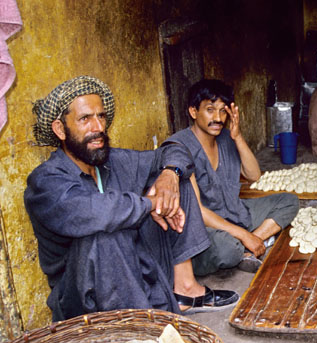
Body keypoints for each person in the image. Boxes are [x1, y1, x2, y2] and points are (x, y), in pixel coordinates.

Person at [24, 76, 239, 321]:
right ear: (60, 129)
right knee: (107, 233)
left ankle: (185, 290)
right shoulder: (44, 181)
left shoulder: (112, 161)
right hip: (85, 299)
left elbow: (176, 151)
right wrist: (151, 204)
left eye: (101, 117)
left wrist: (169, 175)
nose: (98, 127)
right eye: (85, 119)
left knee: (175, 181)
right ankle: (142, 326)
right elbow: (96, 212)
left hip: (136, 267)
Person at [164, 79, 299, 275]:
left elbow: (254, 175)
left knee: (289, 201)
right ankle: (244, 245)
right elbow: (197, 211)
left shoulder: (226, 137)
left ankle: (250, 245)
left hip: (234, 213)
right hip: (202, 227)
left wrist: (238, 137)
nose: (218, 118)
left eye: (223, 111)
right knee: (227, 249)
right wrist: (242, 234)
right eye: (210, 110)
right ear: (193, 112)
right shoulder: (180, 147)